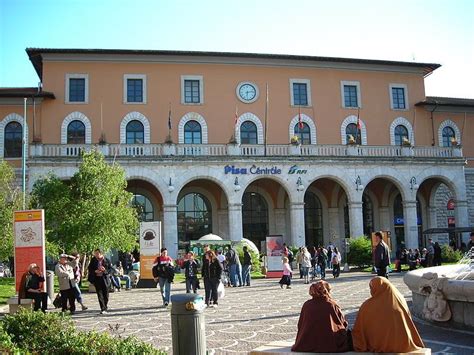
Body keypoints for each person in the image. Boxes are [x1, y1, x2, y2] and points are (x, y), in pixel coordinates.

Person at [352, 277, 424, 353]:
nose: (371, 290)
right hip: (403, 344)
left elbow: (360, 329)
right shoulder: (400, 299)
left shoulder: (368, 306)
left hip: (377, 344)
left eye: (371, 288)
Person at [292, 281, 351, 352]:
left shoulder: (307, 305)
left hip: (307, 342)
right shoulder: (331, 305)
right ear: (327, 291)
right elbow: (342, 323)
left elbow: (300, 324)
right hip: (330, 342)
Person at [87, 249, 112, 314]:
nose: (96, 255)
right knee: (99, 294)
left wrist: (104, 270)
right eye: (95, 253)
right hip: (97, 279)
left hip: (105, 279)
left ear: (101, 254)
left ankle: (105, 306)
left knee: (106, 294)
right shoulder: (93, 260)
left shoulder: (106, 260)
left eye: (97, 253)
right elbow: (90, 268)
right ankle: (103, 308)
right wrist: (95, 271)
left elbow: (110, 270)